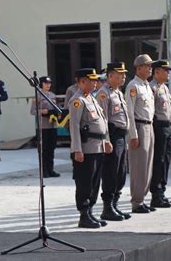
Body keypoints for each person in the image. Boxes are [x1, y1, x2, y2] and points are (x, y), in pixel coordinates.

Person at [69, 68, 113, 228]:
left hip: (98, 147)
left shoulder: (92, 99)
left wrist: (106, 140)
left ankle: (91, 212)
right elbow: (73, 126)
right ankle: (83, 214)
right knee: (85, 183)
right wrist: (77, 149)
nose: (95, 83)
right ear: (81, 82)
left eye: (96, 80)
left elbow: (102, 122)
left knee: (95, 182)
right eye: (91, 80)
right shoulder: (77, 100)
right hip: (86, 149)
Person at [96, 62, 131, 221]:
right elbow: (103, 120)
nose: (124, 76)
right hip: (113, 135)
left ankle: (115, 204)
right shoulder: (104, 94)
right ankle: (107, 207)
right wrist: (107, 140)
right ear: (110, 76)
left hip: (121, 136)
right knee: (111, 172)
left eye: (124, 74)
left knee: (121, 172)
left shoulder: (117, 92)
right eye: (120, 74)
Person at [125, 54, 156, 214]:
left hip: (149, 126)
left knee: (147, 165)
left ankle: (142, 198)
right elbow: (129, 112)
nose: (150, 68)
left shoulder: (147, 85)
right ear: (139, 68)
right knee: (139, 166)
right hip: (139, 126)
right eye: (148, 66)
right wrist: (133, 135)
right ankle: (136, 201)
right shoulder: (133, 86)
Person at [149, 60, 171, 209]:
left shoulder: (164, 88)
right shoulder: (152, 88)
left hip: (167, 127)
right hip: (158, 127)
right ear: (157, 71)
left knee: (165, 161)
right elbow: (151, 111)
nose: (168, 73)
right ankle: (156, 194)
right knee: (158, 161)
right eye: (165, 70)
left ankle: (162, 192)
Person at [30, 76, 60, 178]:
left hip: (52, 126)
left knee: (51, 149)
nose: (48, 85)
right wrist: (43, 111)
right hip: (43, 126)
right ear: (41, 84)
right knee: (43, 150)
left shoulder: (52, 95)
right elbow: (32, 111)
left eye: (49, 83)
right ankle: (44, 171)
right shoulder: (38, 95)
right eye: (46, 83)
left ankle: (50, 169)